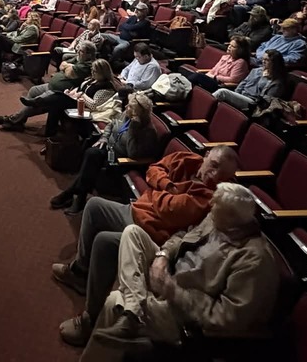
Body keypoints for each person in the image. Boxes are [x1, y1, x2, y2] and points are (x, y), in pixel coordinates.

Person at [54, 148, 240, 346]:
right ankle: (81, 272)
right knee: (94, 206)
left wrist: (155, 191)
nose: (213, 175)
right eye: (213, 165)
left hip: (151, 230)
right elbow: (154, 168)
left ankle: (90, 319)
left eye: (221, 176)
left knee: (104, 241)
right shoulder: (186, 159)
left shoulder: (207, 197)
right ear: (206, 155)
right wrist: (166, 185)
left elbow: (167, 211)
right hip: (139, 209)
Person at [74, 183, 278, 359]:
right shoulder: (216, 219)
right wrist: (163, 256)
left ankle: (127, 315)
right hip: (167, 274)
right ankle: (134, 308)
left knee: (114, 302)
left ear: (233, 219)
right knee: (132, 232)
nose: (211, 207)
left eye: (216, 208)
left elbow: (225, 319)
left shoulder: (254, 260)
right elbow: (182, 235)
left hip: (180, 312)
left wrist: (174, 291)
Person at [52, 93, 160, 215]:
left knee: (91, 161)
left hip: (121, 161)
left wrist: (132, 130)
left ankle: (74, 195)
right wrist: (103, 138)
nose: (126, 108)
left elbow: (132, 153)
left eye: (130, 107)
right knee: (91, 153)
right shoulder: (126, 115)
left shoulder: (147, 131)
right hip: (109, 149)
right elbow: (111, 124)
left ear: (137, 113)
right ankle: (76, 195)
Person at [0, 41, 98, 130]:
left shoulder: (88, 65)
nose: (78, 53)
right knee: (33, 90)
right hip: (52, 85)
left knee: (37, 103)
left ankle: (12, 120)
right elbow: (62, 64)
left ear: (89, 54)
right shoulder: (79, 59)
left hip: (62, 92)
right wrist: (67, 67)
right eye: (78, 50)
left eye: (81, 51)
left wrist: (67, 68)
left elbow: (69, 71)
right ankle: (20, 121)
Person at [213, 49, 286, 113]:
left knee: (222, 92)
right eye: (263, 59)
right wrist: (236, 95)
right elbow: (243, 83)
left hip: (252, 102)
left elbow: (266, 101)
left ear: (274, 63)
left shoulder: (276, 81)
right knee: (219, 104)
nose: (263, 62)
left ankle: (206, 106)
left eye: (267, 60)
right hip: (242, 95)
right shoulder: (256, 70)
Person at [183, 37, 251, 91]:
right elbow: (213, 70)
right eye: (229, 45)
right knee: (185, 71)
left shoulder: (241, 62)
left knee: (197, 76)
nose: (229, 47)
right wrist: (208, 75)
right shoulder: (225, 57)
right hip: (213, 80)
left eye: (233, 46)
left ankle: (182, 88)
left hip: (221, 86)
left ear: (241, 50)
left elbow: (233, 80)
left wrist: (216, 77)